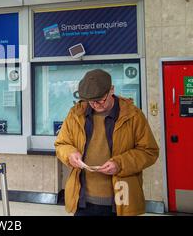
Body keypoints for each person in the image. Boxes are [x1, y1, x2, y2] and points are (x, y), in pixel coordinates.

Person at [54, 69, 159, 216]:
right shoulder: (75, 114)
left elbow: (149, 151)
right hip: (82, 200)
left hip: (120, 202)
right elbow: (61, 144)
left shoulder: (133, 115)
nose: (95, 105)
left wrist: (120, 164)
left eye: (100, 100)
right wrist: (70, 154)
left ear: (111, 90)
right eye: (91, 101)